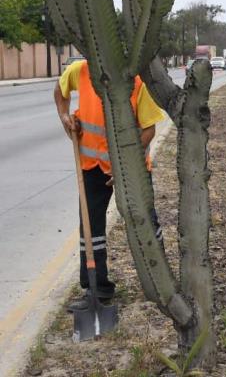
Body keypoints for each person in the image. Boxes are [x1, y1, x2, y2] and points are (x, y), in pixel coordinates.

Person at [54, 59, 166, 312]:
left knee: (144, 221)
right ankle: (96, 288)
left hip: (132, 168)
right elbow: (60, 91)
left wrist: (125, 164)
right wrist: (64, 117)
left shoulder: (136, 81)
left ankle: (161, 281)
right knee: (90, 227)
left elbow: (148, 130)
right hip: (91, 165)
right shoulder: (79, 70)